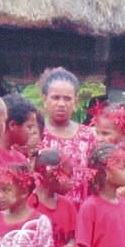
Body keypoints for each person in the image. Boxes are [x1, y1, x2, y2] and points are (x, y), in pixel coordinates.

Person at [38, 68, 96, 203]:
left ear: (75, 102)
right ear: (44, 99)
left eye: (67, 99)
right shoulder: (36, 133)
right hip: (43, 213)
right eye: (55, 97)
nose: (61, 104)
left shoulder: (88, 136)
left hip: (79, 216)